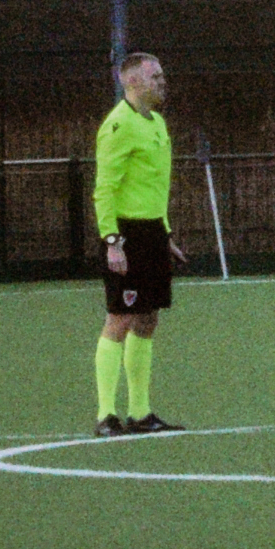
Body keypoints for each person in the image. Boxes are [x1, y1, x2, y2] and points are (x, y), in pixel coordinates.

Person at [90, 52, 188, 437]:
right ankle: (105, 416)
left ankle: (141, 413)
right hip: (125, 233)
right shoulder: (118, 126)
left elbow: (154, 188)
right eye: (155, 76)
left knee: (148, 319)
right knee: (121, 318)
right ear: (131, 82)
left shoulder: (158, 124)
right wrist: (112, 241)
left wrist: (164, 235)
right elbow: (104, 189)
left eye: (162, 75)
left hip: (151, 234)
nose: (162, 81)